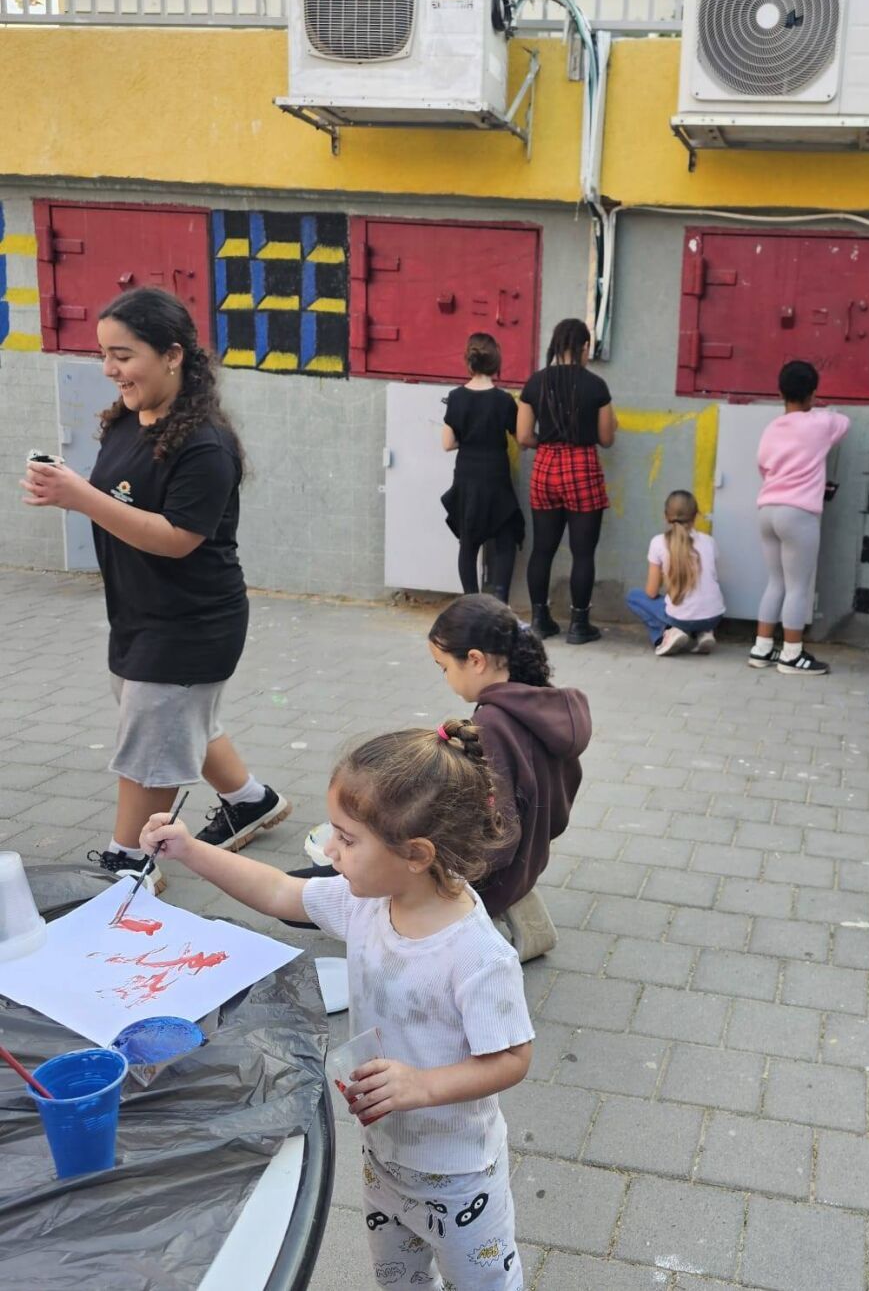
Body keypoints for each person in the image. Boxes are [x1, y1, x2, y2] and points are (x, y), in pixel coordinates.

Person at [142, 725, 533, 1291]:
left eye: (347, 840)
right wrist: (190, 850)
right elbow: (279, 892)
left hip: (458, 1176)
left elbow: (513, 1058)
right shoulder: (367, 903)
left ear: (416, 854)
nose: (329, 852)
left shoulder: (477, 955)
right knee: (399, 1279)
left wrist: (423, 1086)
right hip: (383, 1156)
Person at [20, 287, 289, 891]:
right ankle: (251, 801)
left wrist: (78, 496)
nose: (109, 370)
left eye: (123, 356)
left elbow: (176, 539)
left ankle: (129, 866)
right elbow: (121, 500)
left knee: (151, 741)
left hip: (191, 624)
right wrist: (65, 488)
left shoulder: (205, 444)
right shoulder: (127, 419)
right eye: (104, 356)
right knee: (176, 720)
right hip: (139, 613)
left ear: (172, 355)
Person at [428, 594, 591, 961]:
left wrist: (446, 859)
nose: (446, 678)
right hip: (532, 857)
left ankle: (481, 922)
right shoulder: (541, 702)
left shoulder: (492, 721)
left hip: (498, 875)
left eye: (443, 667)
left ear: (475, 660)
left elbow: (498, 835)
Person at [517, 318, 617, 645]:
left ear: (556, 346)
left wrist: (547, 444)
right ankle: (579, 624)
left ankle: (539, 621)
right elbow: (606, 439)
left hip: (545, 467)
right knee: (583, 552)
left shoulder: (535, 383)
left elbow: (523, 436)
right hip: (582, 466)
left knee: (542, 548)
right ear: (584, 347)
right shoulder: (596, 386)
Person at [748, 360, 851, 676]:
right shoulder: (820, 424)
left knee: (775, 582)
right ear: (813, 394)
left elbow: (762, 465)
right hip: (798, 514)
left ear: (780, 393)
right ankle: (792, 654)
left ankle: (762, 648)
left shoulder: (771, 429)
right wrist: (818, 410)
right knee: (797, 586)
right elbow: (844, 423)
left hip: (767, 510)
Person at [440, 332, 525, 600]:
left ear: (469, 361)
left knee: (468, 542)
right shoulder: (504, 401)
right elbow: (521, 440)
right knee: (505, 536)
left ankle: (471, 602)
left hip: (467, 473)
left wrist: (469, 440)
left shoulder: (456, 397)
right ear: (496, 362)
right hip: (496, 473)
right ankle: (500, 601)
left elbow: (447, 443)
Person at [624, 489, 726, 656]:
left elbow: (651, 592)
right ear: (696, 515)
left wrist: (666, 578)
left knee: (634, 596)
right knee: (694, 602)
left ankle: (667, 633)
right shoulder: (709, 541)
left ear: (666, 516)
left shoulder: (658, 542)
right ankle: (704, 632)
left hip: (681, 618)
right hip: (714, 617)